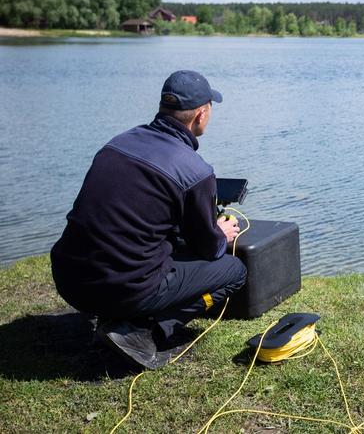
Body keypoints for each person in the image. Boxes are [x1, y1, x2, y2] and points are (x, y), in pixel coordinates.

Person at [50, 70, 247, 369]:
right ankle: (145, 330)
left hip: (68, 279)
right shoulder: (195, 171)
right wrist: (219, 232)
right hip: (123, 288)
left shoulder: (117, 143)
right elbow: (208, 249)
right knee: (233, 270)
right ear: (201, 115)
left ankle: (122, 317)